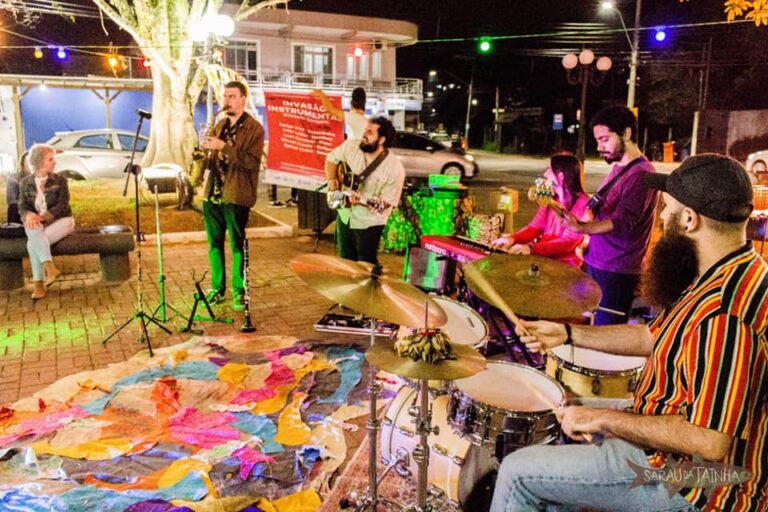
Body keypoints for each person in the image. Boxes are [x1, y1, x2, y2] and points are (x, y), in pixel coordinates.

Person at [491, 154, 767, 512]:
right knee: (565, 406)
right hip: (665, 435)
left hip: (692, 485)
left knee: (516, 472)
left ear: (689, 220)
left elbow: (710, 441)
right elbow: (656, 336)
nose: (661, 218)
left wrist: (603, 418)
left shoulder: (725, 314)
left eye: (666, 209)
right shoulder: (725, 270)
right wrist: (568, 335)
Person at [566, 104, 658, 325]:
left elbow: (623, 221)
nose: (599, 146)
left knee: (605, 335)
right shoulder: (619, 168)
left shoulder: (642, 174)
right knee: (593, 328)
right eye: (598, 140)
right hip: (599, 262)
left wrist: (582, 228)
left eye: (605, 139)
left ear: (626, 133)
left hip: (617, 270)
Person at [200, 80, 264, 311]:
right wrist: (204, 155)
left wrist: (223, 146)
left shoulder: (255, 128)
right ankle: (217, 288)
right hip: (213, 194)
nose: (226, 100)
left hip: (236, 195)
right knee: (214, 244)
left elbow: (251, 162)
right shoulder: (220, 125)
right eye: (225, 96)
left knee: (237, 245)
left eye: (232, 96)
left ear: (243, 99)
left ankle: (240, 290)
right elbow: (213, 157)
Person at [324, 117, 405, 265]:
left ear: (381, 139)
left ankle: (370, 285)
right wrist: (332, 180)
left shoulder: (395, 168)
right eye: (365, 130)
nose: (364, 134)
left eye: (370, 132)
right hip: (345, 215)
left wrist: (362, 202)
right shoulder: (351, 147)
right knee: (345, 261)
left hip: (369, 222)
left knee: (365, 263)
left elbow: (386, 203)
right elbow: (331, 158)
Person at [491, 151, 589, 267]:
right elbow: (535, 227)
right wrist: (512, 239)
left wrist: (531, 249)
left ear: (561, 176)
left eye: (549, 170)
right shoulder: (549, 197)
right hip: (542, 259)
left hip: (565, 266)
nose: (545, 174)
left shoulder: (583, 204)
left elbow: (568, 242)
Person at [18, 144, 75, 300]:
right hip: (39, 227)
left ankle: (39, 285)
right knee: (33, 232)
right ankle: (49, 267)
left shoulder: (60, 181)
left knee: (33, 243)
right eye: (50, 159)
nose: (54, 162)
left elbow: (62, 205)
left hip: (63, 221)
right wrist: (28, 215)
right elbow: (22, 206)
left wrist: (41, 217)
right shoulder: (25, 183)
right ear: (39, 162)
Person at [6, 152, 31, 224]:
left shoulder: (41, 177)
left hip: (37, 209)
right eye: (28, 161)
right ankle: (15, 229)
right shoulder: (14, 178)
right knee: (13, 207)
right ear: (23, 164)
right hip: (20, 209)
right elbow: (12, 200)